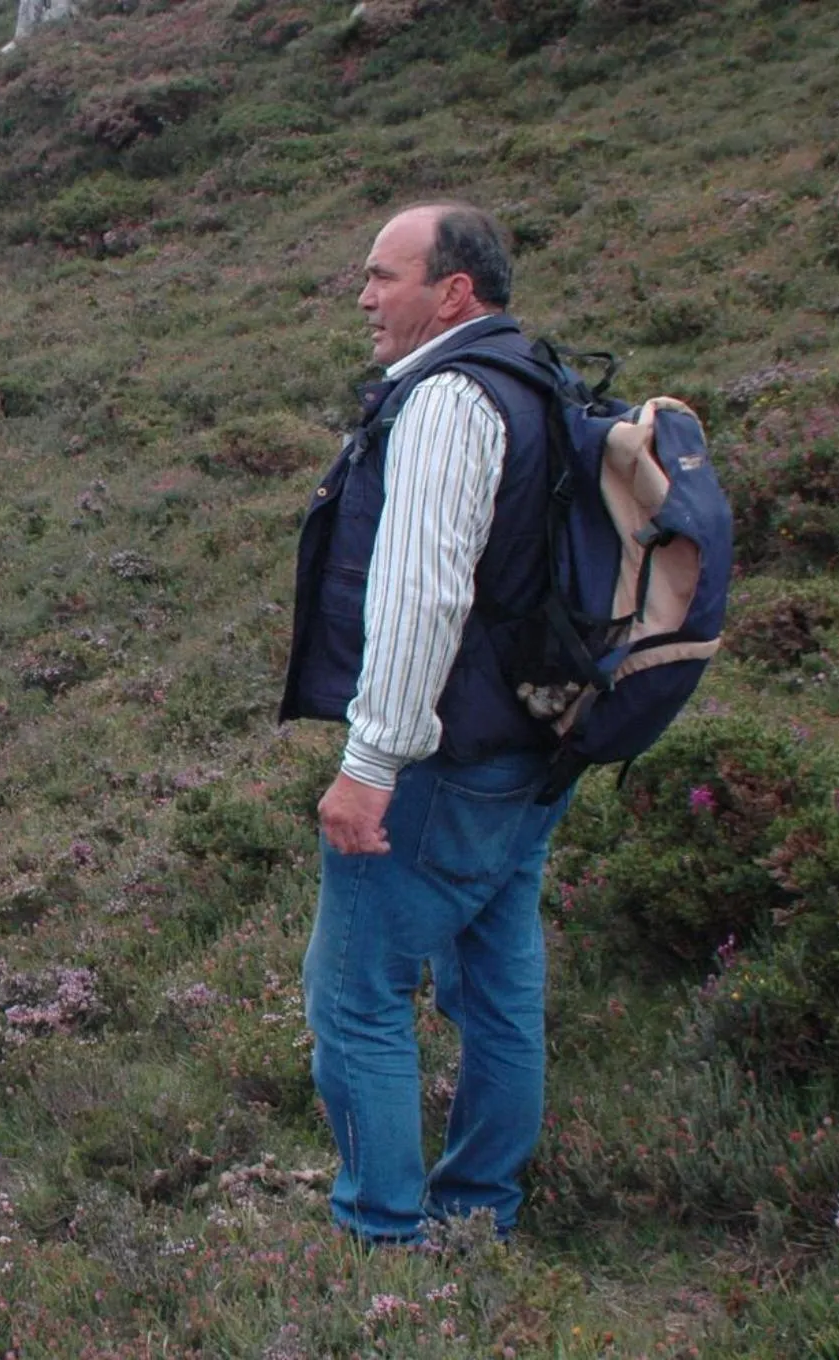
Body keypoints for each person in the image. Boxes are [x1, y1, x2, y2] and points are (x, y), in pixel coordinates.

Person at [278, 204, 575, 1244]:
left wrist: (369, 764)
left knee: (356, 994)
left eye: (382, 276)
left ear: (452, 292)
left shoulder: (449, 398)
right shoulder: (531, 378)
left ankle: (382, 1233)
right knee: (496, 985)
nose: (362, 295)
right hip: (529, 746)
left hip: (445, 759)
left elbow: (421, 598)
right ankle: (478, 1209)